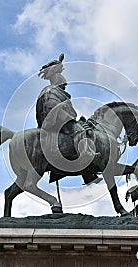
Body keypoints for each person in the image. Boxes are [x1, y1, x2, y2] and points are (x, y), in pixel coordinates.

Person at [36, 54, 99, 184]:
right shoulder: (51, 91)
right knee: (81, 131)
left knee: (82, 126)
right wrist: (68, 116)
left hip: (61, 121)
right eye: (63, 84)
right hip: (57, 123)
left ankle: (86, 173)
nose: (65, 85)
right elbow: (52, 108)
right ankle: (86, 161)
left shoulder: (56, 91)